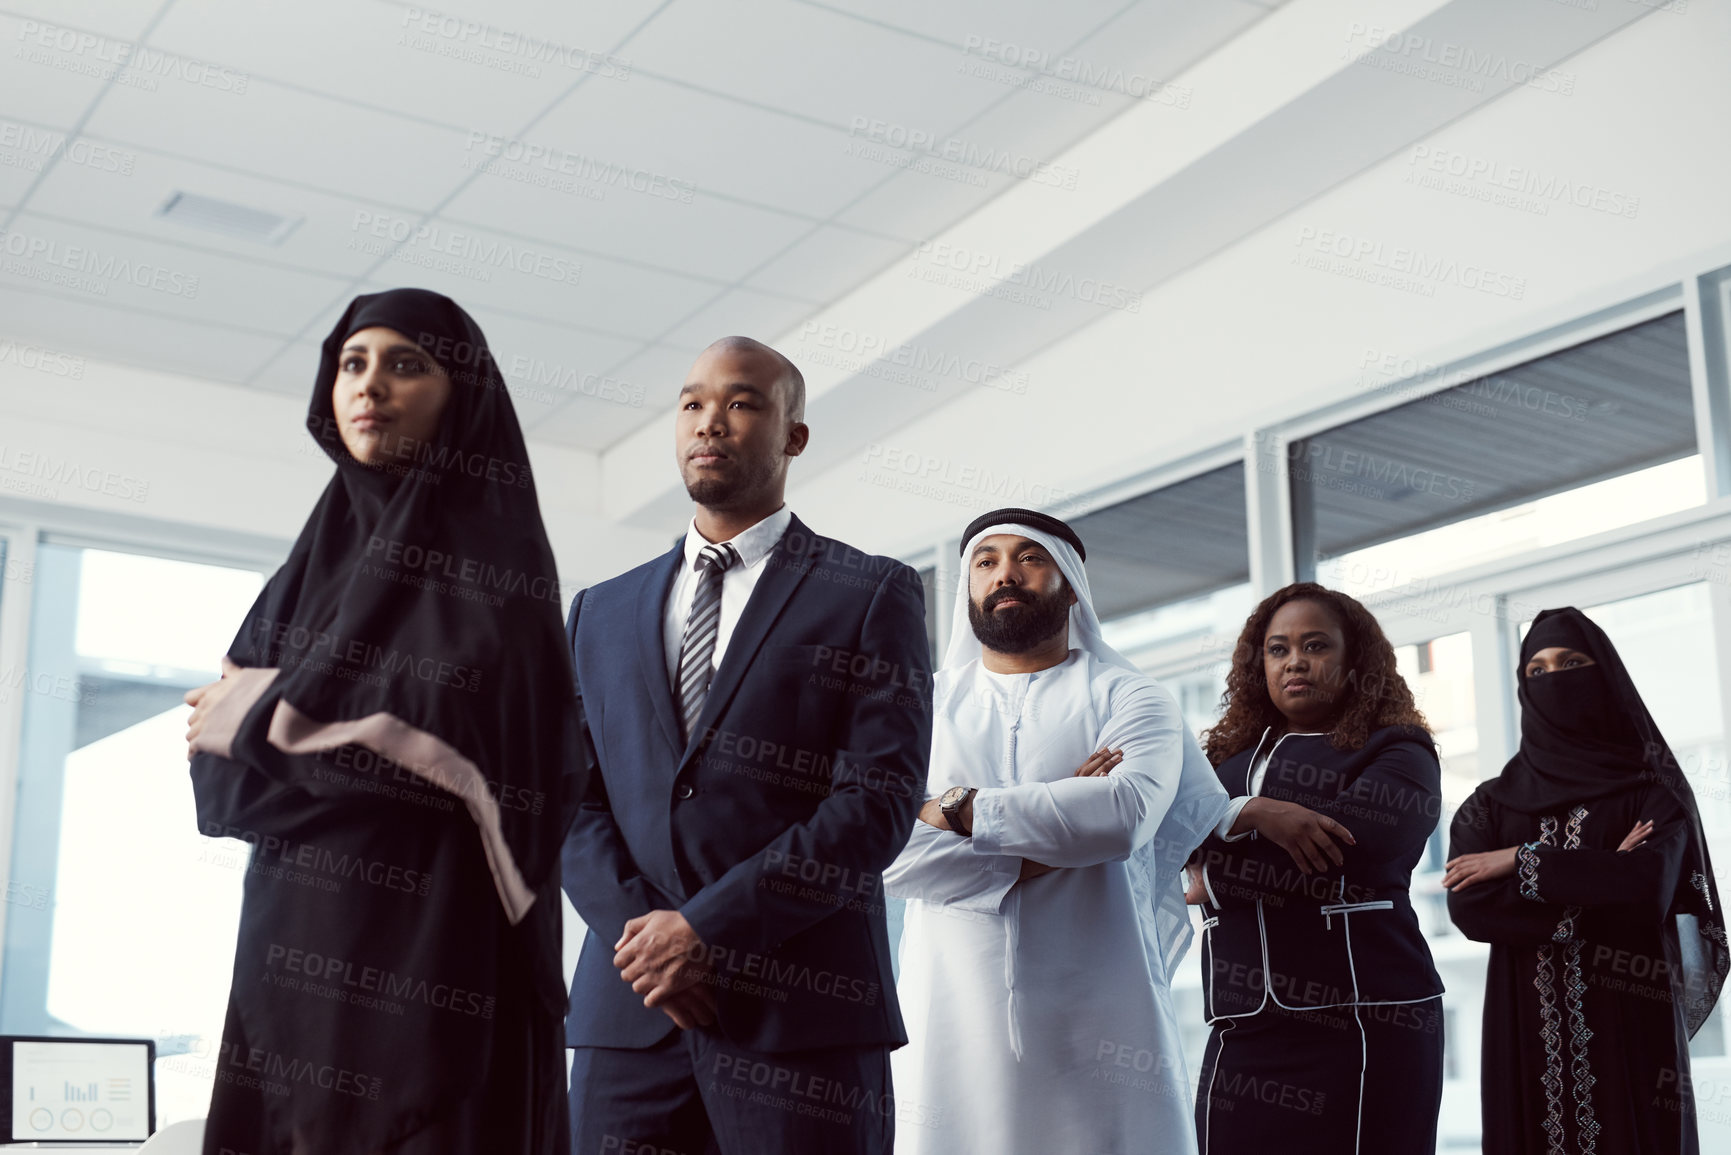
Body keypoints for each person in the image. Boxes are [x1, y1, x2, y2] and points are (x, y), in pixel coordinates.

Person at [183, 288, 578, 1154]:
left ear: (461, 395)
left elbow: (473, 738)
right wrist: (304, 732)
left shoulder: (494, 559)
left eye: (406, 364)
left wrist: (265, 719)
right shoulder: (310, 565)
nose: (370, 384)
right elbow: (218, 774)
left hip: (432, 961)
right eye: (351, 363)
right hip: (290, 953)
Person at [560, 336, 931, 1154]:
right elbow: (569, 803)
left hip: (800, 1015)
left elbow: (876, 803)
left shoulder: (870, 593)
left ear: (794, 435)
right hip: (633, 1015)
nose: (709, 422)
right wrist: (652, 946)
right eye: (692, 403)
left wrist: (706, 932)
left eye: (740, 402)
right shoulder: (598, 611)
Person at [882, 508, 1232, 1155]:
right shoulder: (918, 708)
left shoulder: (1133, 697)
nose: (1005, 574)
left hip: (1104, 1011)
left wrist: (948, 807)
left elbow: (1121, 816)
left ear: (1070, 584)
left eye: (1029, 558)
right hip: (952, 1010)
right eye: (986, 561)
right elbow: (886, 853)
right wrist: (1056, 836)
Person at [1444, 607, 1727, 1155]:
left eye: (1572, 663)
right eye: (1538, 670)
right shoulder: (1489, 804)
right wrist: (1599, 875)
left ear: (1605, 675)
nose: (1554, 679)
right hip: (1522, 1027)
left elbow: (1645, 888)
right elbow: (1470, 909)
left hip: (1629, 1016)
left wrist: (1520, 859)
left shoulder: (1653, 793)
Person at [1188, 581, 1444, 1155]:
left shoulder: (1399, 748)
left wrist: (1215, 875)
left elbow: (1349, 847)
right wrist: (1254, 812)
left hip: (1367, 1017)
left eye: (1316, 645)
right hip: (1241, 1022)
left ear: (1355, 661)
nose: (1295, 662)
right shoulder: (1222, 766)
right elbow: (1165, 837)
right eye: (1277, 649)